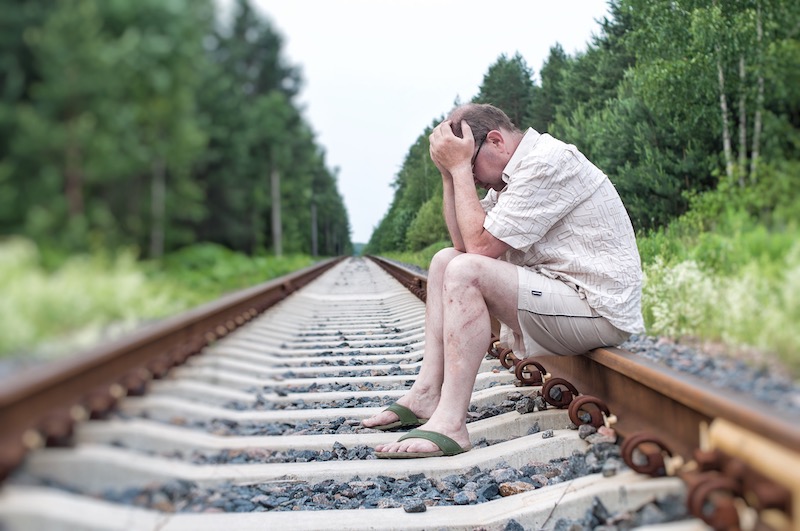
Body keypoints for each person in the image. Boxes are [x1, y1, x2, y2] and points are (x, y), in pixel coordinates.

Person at [362, 103, 645, 458]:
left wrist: (459, 168)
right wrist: (452, 174)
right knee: (444, 261)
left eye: (471, 164)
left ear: (496, 140)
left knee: (466, 271)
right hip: (563, 297)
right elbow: (463, 245)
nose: (475, 179)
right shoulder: (511, 175)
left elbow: (478, 250)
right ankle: (426, 393)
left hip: (597, 308)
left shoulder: (546, 162)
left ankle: (450, 423)